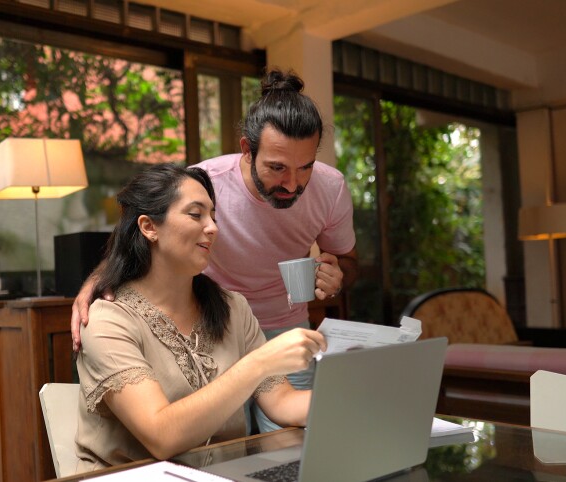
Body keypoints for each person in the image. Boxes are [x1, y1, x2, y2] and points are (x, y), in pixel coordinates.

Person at [72, 68, 358, 432]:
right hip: (213, 325)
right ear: (246, 149)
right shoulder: (204, 184)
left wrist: (368, 389)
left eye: (305, 168)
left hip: (269, 325)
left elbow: (288, 406)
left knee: (289, 446)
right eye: (276, 168)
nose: (292, 183)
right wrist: (96, 282)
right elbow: (135, 234)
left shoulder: (329, 189)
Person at [74, 163, 326, 472]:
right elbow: (161, 436)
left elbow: (282, 402)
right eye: (196, 215)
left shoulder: (233, 308)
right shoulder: (108, 321)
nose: (213, 228)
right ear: (149, 227)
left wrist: (351, 397)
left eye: (214, 217)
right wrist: (259, 363)